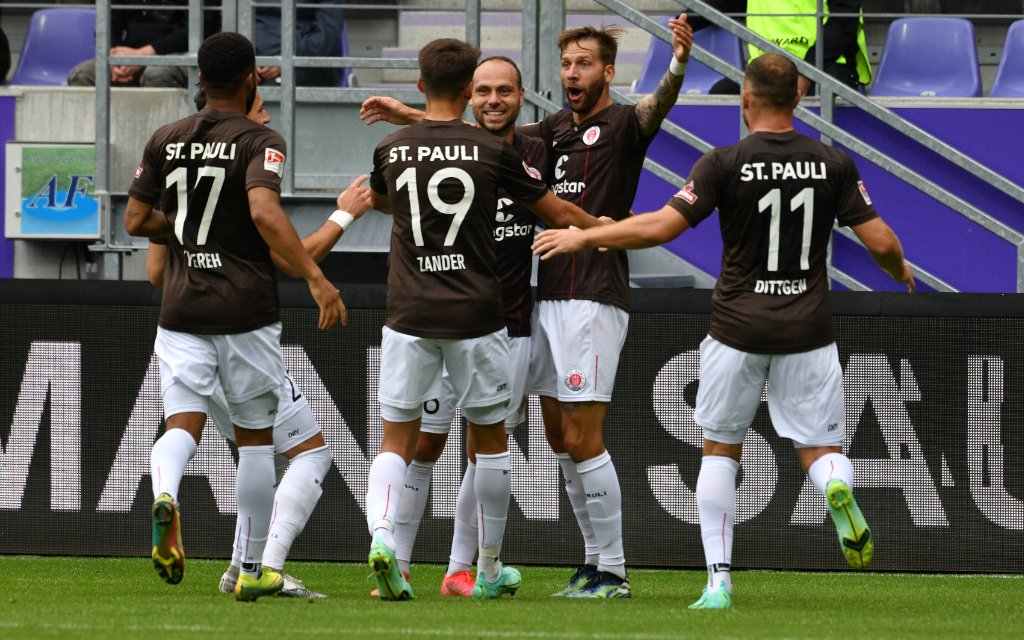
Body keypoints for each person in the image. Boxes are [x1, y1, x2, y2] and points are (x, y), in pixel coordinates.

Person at [532, 52, 916, 610]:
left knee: (720, 450)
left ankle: (718, 583)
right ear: (801, 98)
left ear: (746, 99)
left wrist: (587, 237)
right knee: (821, 446)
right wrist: (899, 269)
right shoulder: (833, 162)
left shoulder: (723, 161)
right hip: (808, 330)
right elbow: (881, 241)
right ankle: (835, 483)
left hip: (736, 327)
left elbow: (663, 226)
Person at [364, 38, 609, 602]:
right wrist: (602, 229)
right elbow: (556, 212)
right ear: (468, 89)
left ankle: (387, 546)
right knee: (492, 444)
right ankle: (490, 568)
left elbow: (381, 201)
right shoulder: (494, 154)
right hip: (479, 316)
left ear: (421, 86)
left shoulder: (392, 148)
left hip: (408, 314)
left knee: (396, 441)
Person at [123, 31, 343, 600]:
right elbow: (264, 211)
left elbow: (134, 221)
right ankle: (249, 568)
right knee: (254, 442)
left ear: (199, 78)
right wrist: (317, 278)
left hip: (181, 309)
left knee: (181, 424)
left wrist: (190, 230)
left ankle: (166, 493)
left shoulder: (165, 138)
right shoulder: (259, 138)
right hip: (244, 310)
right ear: (251, 78)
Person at [514, 18, 693, 599]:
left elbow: (657, 104)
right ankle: (592, 560)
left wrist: (678, 63)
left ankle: (614, 569)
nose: (572, 72)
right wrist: (419, 120)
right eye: (567, 63)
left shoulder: (623, 124)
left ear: (608, 71)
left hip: (595, 292)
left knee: (585, 435)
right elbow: (486, 142)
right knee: (558, 435)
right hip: (549, 293)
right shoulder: (550, 128)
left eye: (585, 63)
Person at [689, 1, 871, 95]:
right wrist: (686, 21)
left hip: (825, 66)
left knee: (824, 95)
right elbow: (725, 4)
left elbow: (843, 23)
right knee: (722, 94)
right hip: (767, 67)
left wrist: (807, 72)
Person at [68, 0, 219, 88]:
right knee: (82, 74)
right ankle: (93, 142)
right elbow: (106, 25)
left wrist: (142, 55)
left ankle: (162, 141)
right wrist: (114, 60)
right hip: (128, 58)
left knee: (157, 75)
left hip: (179, 56)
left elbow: (197, 31)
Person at [254, 0, 344, 87]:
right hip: (251, 60)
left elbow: (326, 36)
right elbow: (241, 22)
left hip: (303, 63)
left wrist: (288, 58)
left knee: (271, 93)